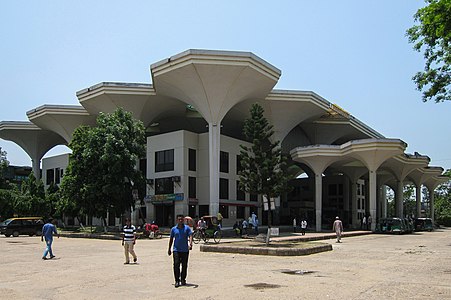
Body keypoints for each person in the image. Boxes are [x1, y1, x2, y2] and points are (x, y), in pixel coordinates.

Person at [168, 214, 193, 288]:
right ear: (177, 220)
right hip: (176, 249)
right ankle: (176, 280)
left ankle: (183, 279)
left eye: (182, 219)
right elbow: (171, 239)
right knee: (176, 265)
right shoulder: (174, 229)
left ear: (183, 220)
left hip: (185, 250)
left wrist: (190, 243)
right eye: (179, 219)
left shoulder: (187, 228)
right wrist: (169, 248)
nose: (180, 220)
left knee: (184, 265)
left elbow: (190, 235)